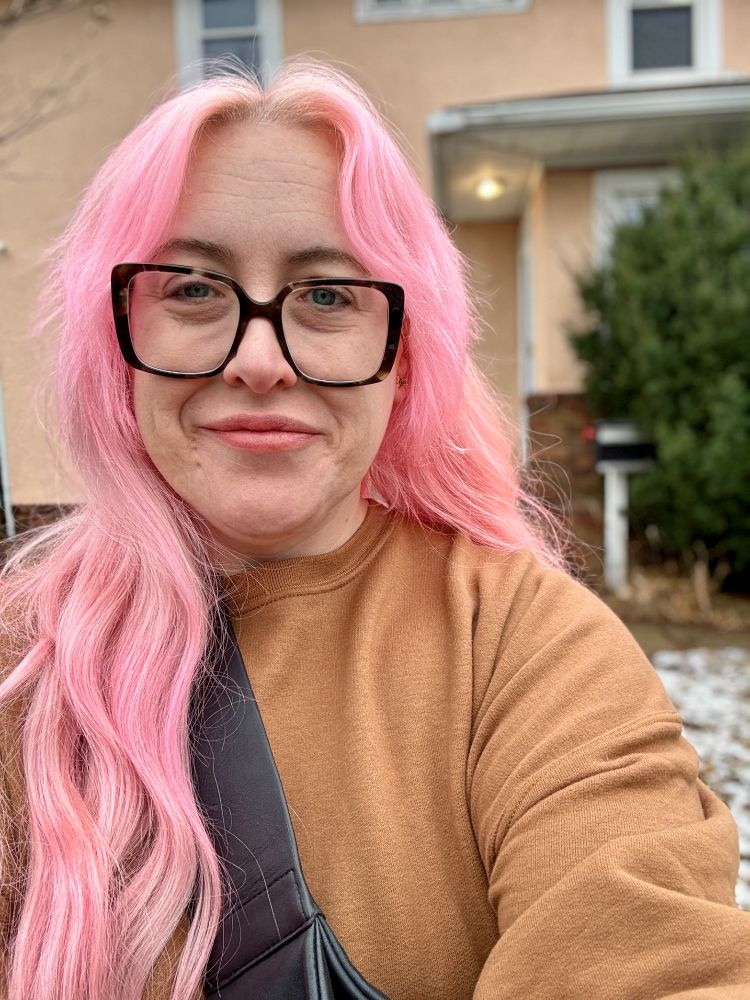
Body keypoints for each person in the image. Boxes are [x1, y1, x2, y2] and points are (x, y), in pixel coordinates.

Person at [0, 59, 748, 1000]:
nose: (262, 360)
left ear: (401, 359)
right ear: (118, 344)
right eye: (191, 288)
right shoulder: (22, 663)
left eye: (326, 296)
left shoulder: (517, 646)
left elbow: (655, 958)